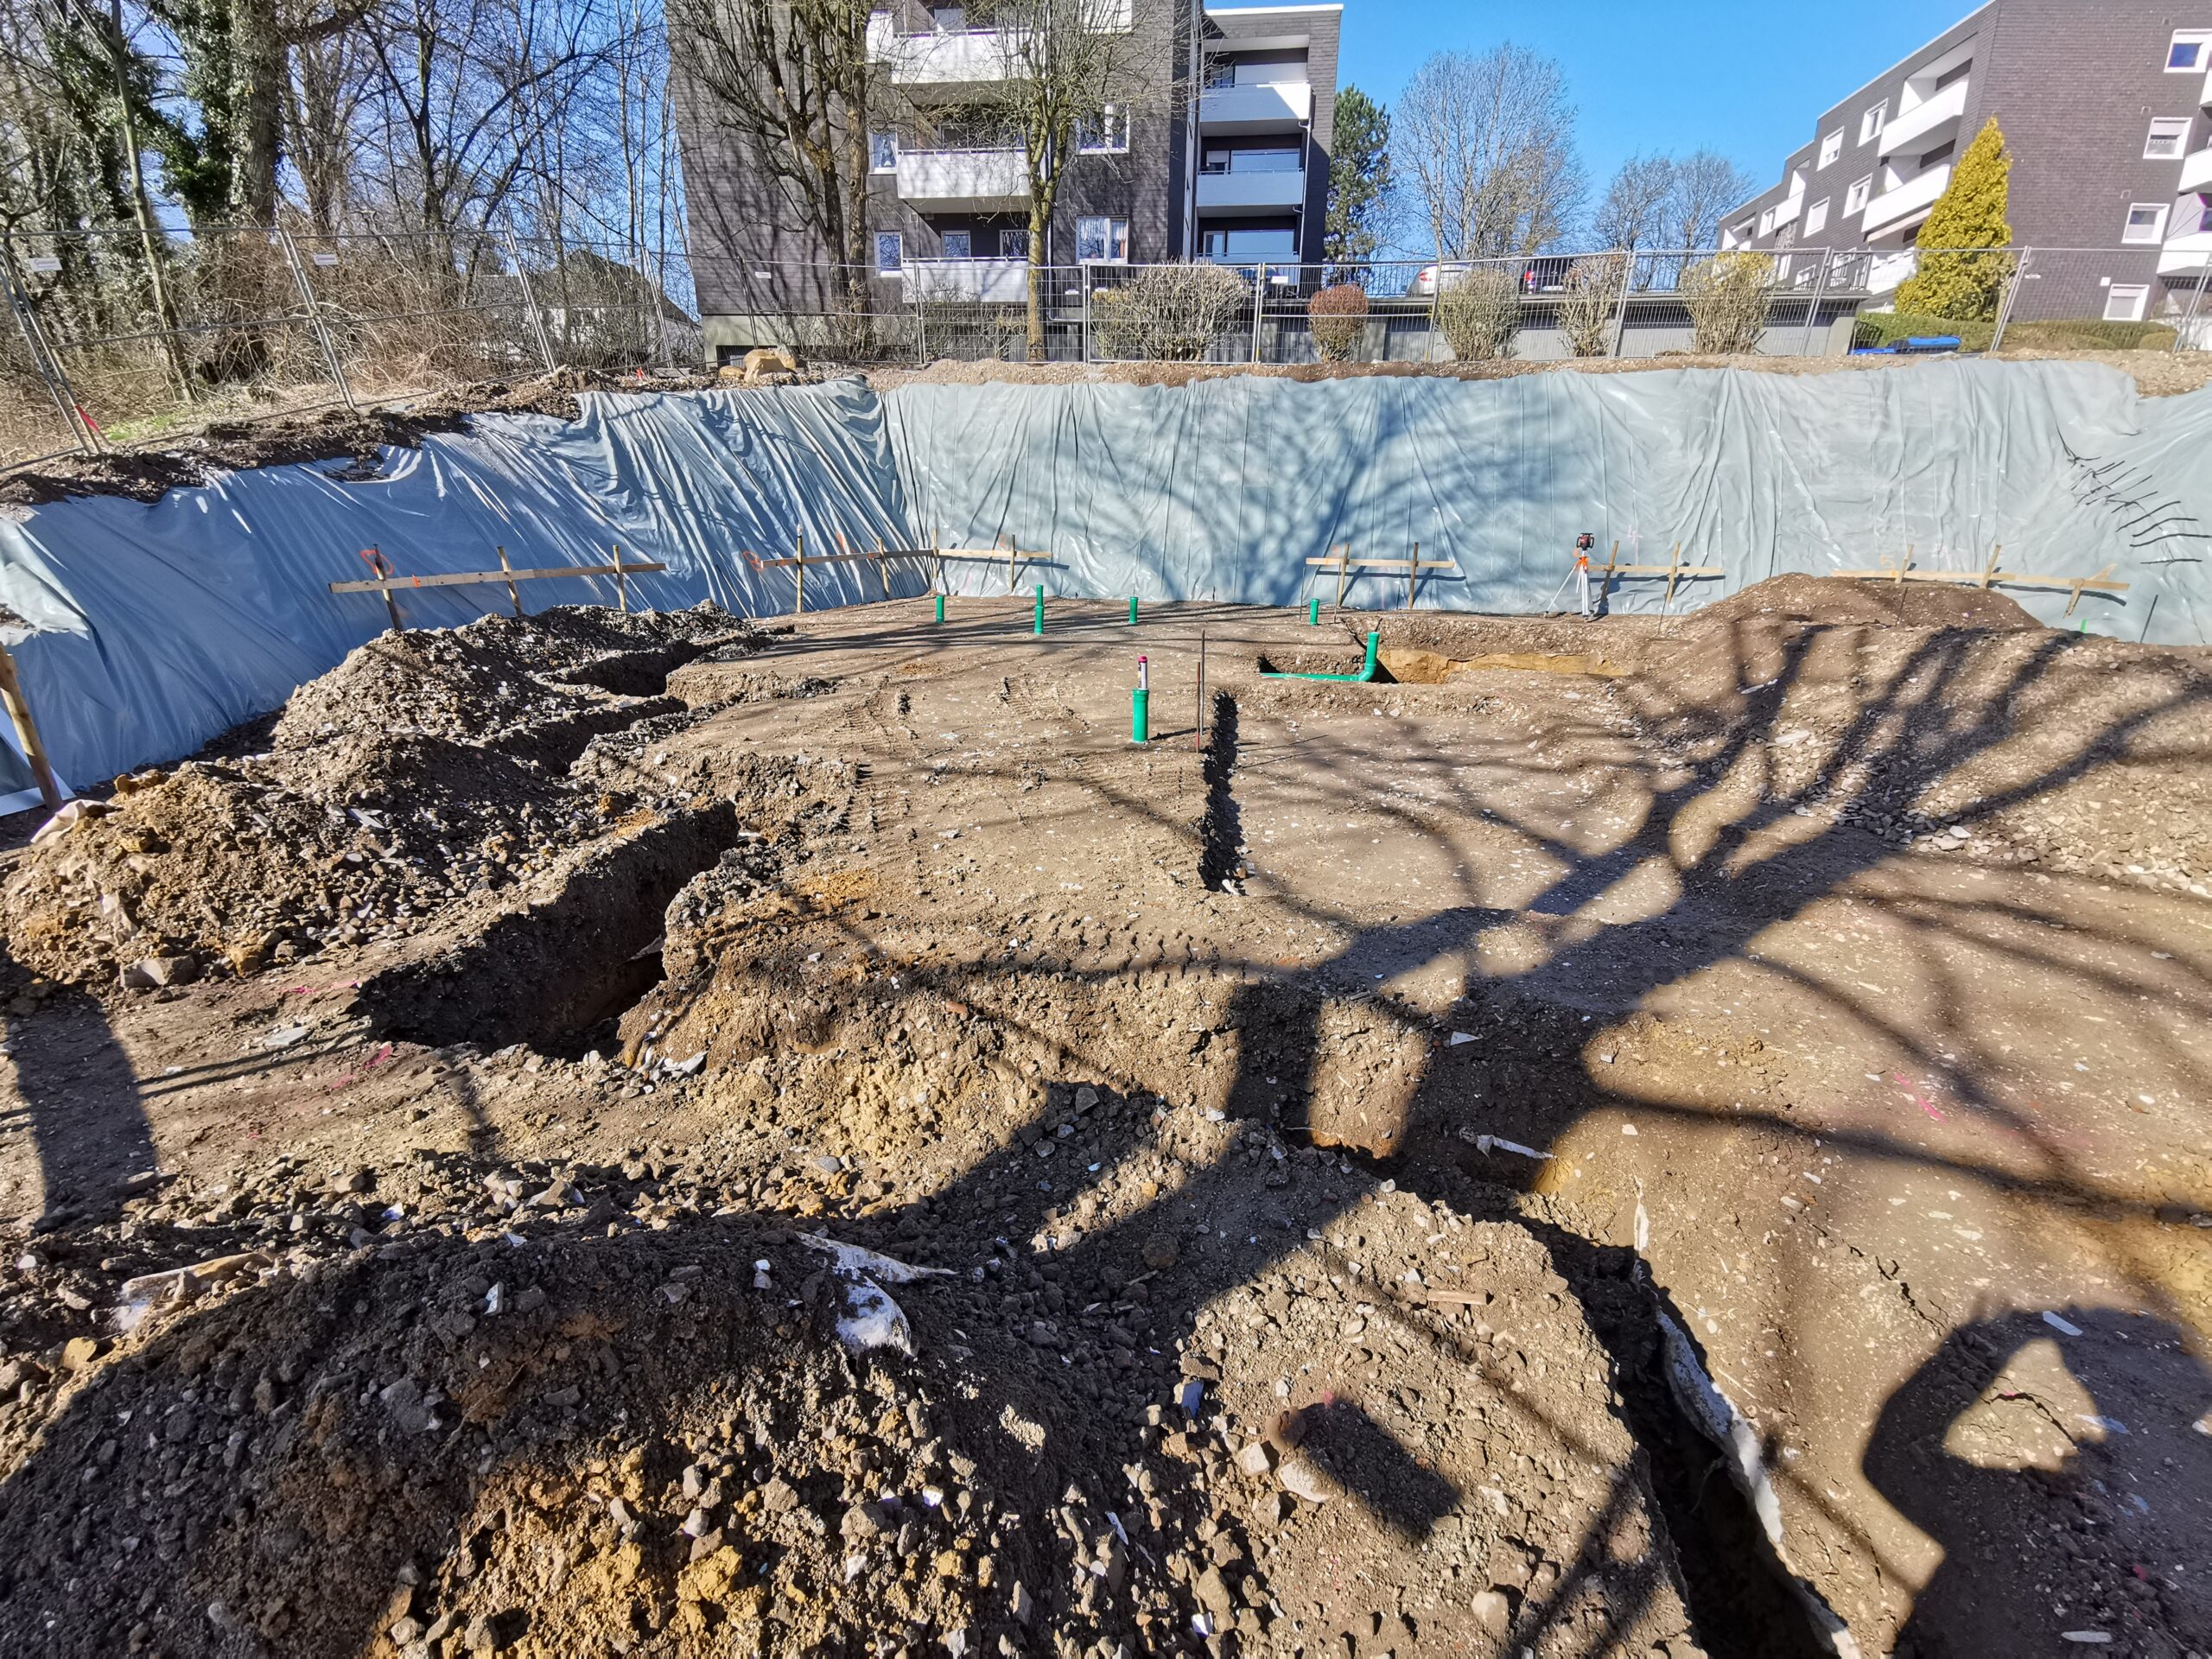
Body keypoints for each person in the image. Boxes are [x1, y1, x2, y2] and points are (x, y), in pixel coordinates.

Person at [1574, 531, 1596, 620]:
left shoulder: (1584, 541)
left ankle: (1586, 613)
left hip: (1584, 561)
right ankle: (1587, 612)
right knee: (1584, 581)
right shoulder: (1584, 544)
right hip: (1582, 560)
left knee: (1585, 584)